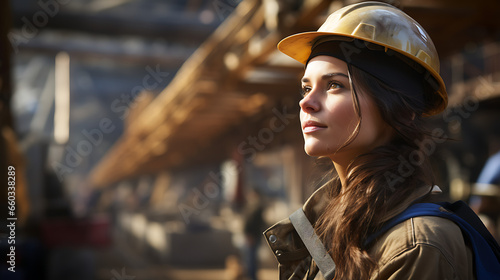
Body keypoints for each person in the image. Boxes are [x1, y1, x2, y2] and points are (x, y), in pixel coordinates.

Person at [263, 2, 475, 279]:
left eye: (334, 85)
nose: (307, 103)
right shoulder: (327, 224)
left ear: (402, 110)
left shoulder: (417, 247)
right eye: (306, 87)